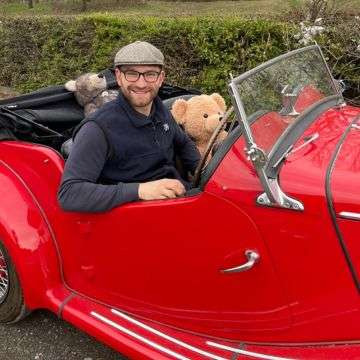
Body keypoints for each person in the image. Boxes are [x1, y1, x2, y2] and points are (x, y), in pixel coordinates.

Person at [58, 41, 200, 213]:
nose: (141, 84)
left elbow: (183, 143)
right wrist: (140, 190)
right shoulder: (97, 129)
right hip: (137, 219)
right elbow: (70, 193)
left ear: (161, 78)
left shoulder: (159, 108)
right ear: (118, 76)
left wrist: (203, 170)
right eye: (132, 74)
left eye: (150, 74)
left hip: (181, 200)